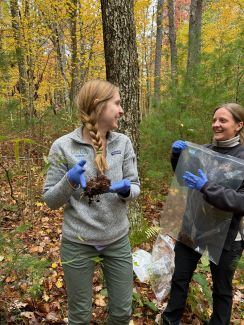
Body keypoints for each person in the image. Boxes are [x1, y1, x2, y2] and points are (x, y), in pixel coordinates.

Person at [43, 80, 140, 325]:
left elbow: (135, 185)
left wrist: (127, 190)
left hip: (117, 239)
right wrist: (70, 180)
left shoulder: (123, 143)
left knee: (121, 314)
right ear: (98, 106)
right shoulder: (63, 146)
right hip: (78, 243)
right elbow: (50, 201)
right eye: (117, 104)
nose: (121, 110)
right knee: (80, 317)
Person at [162, 103, 244, 325]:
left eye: (223, 121)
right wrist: (177, 157)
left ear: (239, 125)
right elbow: (183, 179)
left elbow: (241, 201)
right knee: (179, 280)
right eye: (215, 119)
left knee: (222, 291)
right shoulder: (203, 150)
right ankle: (170, 321)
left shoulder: (242, 158)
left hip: (227, 237)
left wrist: (207, 186)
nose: (216, 124)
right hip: (193, 229)